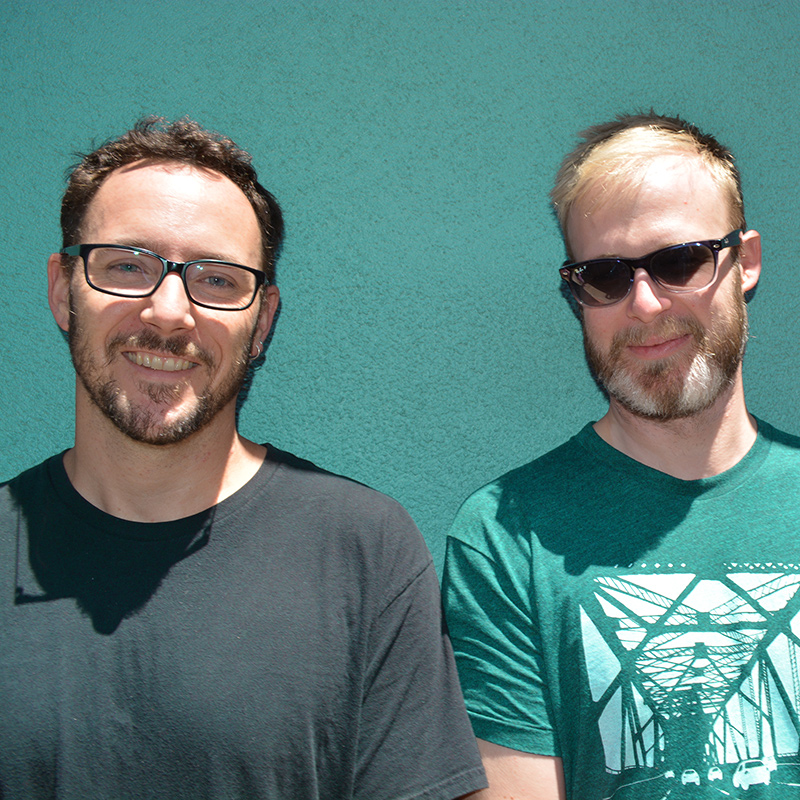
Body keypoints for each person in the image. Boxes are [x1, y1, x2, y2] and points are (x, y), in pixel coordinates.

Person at [0, 117, 486, 800]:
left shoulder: (362, 551)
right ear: (62, 290)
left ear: (261, 322)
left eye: (218, 280)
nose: (169, 312)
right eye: (127, 266)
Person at [443, 112, 800, 798]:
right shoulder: (508, 537)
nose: (644, 304)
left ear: (747, 262)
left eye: (679, 261)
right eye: (604, 275)